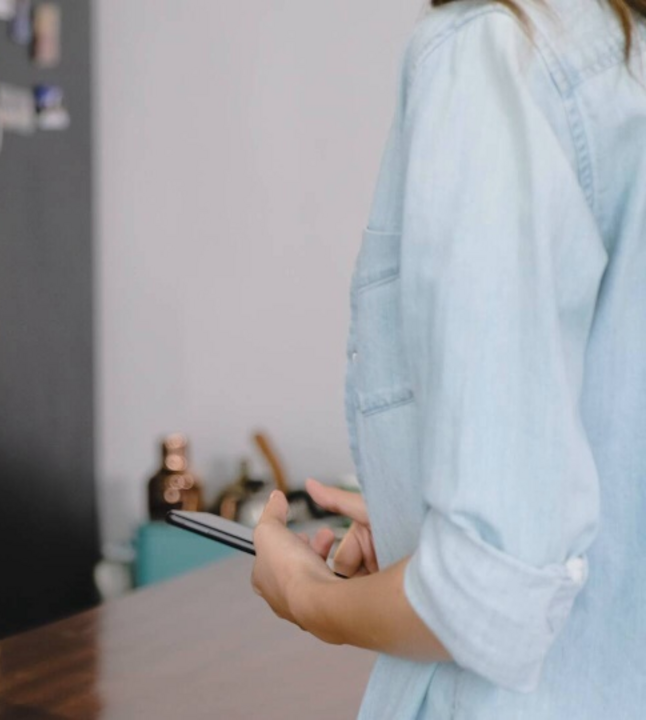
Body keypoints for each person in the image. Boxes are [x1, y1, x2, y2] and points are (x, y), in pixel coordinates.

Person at [250, 0, 646, 716]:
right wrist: (425, 522)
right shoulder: (623, 58)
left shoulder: (499, 50)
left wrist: (304, 595)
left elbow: (485, 597)